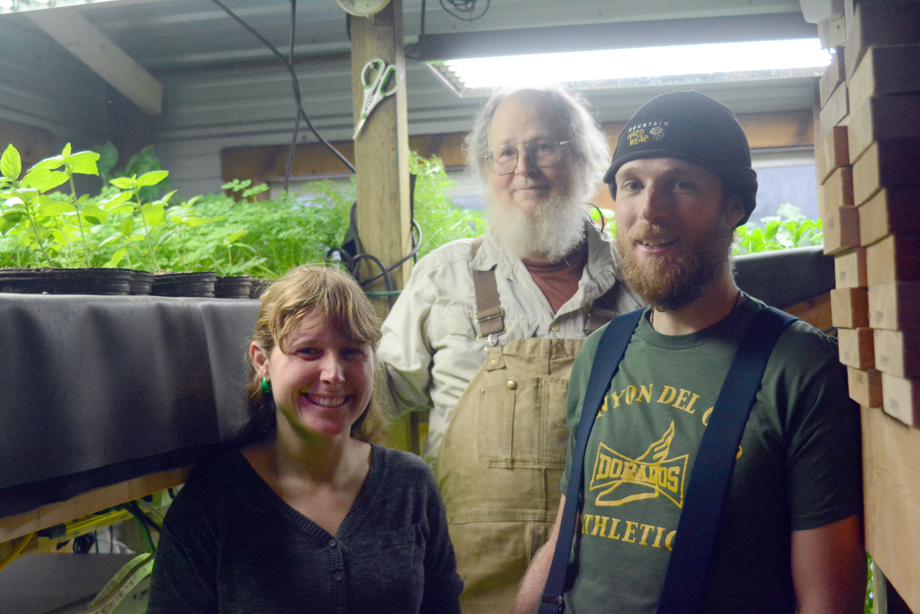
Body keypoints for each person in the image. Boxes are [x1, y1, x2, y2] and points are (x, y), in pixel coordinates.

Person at [512, 90, 865, 614]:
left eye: (681, 184)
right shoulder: (600, 353)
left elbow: (827, 602)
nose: (650, 209)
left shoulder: (800, 370)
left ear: (735, 206)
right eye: (632, 184)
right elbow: (570, 527)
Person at [377, 85, 641, 613]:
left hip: (608, 565)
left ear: (584, 159)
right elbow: (378, 397)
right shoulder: (443, 275)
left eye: (544, 146)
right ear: (486, 166)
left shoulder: (638, 279)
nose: (525, 167)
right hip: (466, 574)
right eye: (506, 152)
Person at [147, 265, 463, 614]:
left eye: (352, 352)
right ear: (261, 362)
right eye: (308, 351)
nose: (333, 374)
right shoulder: (214, 499)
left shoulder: (409, 485)